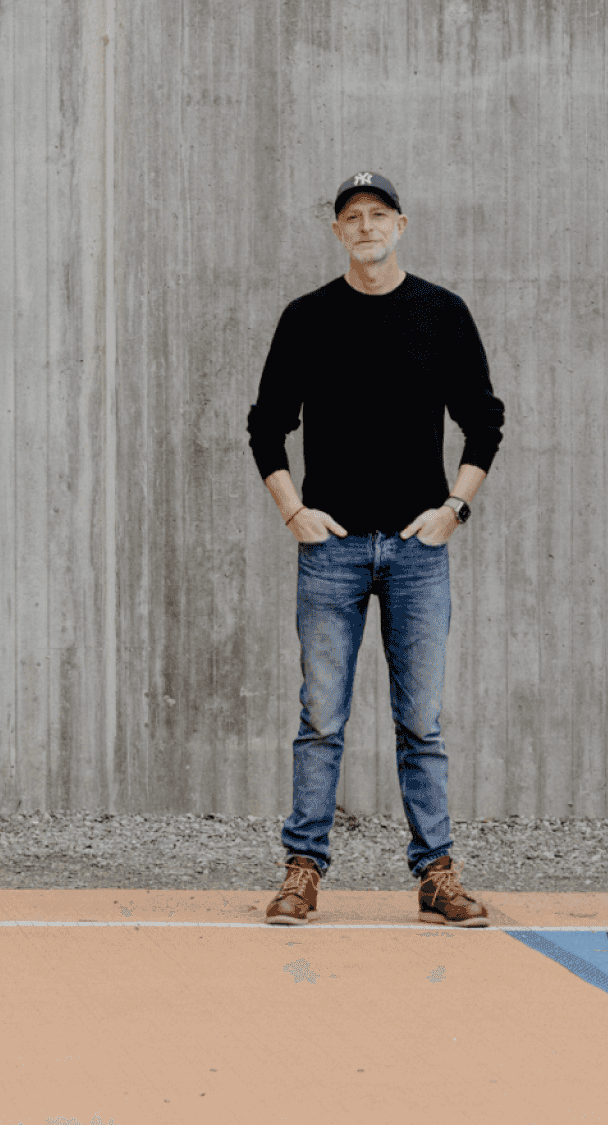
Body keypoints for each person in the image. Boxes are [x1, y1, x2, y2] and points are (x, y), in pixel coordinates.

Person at [246, 171, 505, 927]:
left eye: (378, 214)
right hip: (331, 549)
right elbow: (267, 425)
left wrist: (455, 508)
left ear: (401, 225)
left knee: (420, 721)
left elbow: (484, 420)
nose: (365, 227)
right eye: (352, 217)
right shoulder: (307, 318)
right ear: (337, 232)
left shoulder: (441, 313)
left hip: (417, 551)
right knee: (321, 718)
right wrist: (293, 510)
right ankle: (302, 871)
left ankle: (435, 874)